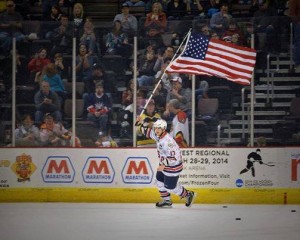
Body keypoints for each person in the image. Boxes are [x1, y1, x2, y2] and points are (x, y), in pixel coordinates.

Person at [136, 118, 196, 208]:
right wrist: (139, 125)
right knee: (159, 181)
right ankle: (167, 201)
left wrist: (163, 164)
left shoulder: (168, 142)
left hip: (173, 167)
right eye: (155, 128)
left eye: (158, 128)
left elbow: (174, 158)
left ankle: (188, 194)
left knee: (170, 187)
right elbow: (149, 133)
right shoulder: (159, 135)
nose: (156, 130)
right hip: (164, 165)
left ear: (163, 129)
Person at [289, 0, 300, 69]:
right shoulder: (294, 1)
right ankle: (297, 62)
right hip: (298, 24)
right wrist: (298, 22)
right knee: (298, 42)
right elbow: (292, 13)